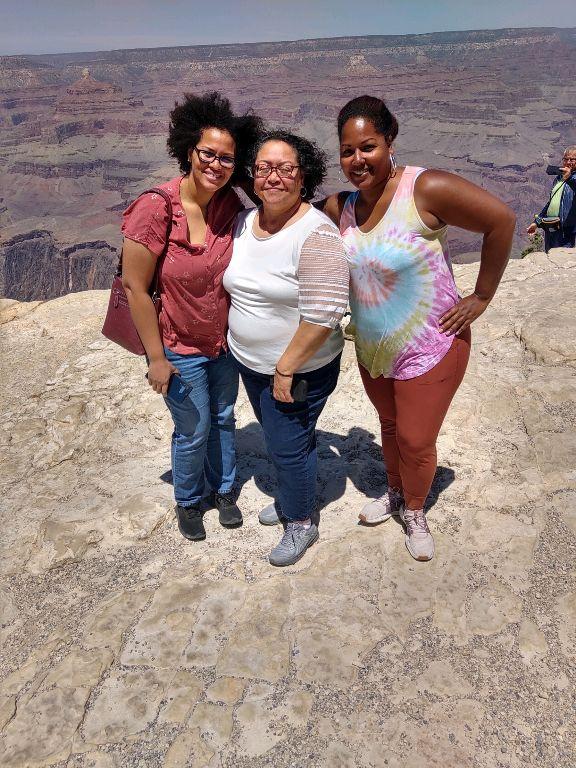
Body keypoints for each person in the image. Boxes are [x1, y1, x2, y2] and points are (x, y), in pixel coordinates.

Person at [320, 95, 515, 562]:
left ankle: (414, 508)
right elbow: (285, 210)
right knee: (388, 426)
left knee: (415, 438)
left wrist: (481, 296)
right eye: (347, 151)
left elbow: (501, 220)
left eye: (367, 147)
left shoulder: (423, 189)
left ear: (390, 141)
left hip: (433, 345)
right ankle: (393, 490)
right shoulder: (340, 207)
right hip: (373, 349)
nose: (356, 160)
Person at [121, 91, 262, 542]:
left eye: (226, 158)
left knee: (223, 417)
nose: (216, 165)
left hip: (223, 346)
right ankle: (188, 499)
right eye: (208, 154)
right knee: (193, 427)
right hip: (179, 347)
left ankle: (223, 491)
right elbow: (135, 288)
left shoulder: (229, 205)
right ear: (189, 152)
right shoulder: (157, 207)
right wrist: (155, 359)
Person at [223, 130, 349, 567]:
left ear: (303, 176)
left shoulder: (315, 234)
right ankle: (294, 497)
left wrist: (285, 368)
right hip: (250, 363)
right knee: (286, 439)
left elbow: (325, 313)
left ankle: (300, 519)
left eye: (285, 168)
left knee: (288, 445)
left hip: (298, 369)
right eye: (263, 167)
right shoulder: (245, 223)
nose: (272, 176)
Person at [527, 147, 576, 252]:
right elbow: (551, 203)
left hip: (565, 231)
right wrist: (537, 222)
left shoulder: (573, 178)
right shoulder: (559, 178)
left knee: (562, 260)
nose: (568, 162)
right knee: (549, 255)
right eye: (565, 159)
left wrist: (569, 178)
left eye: (572, 159)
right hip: (551, 227)